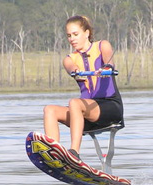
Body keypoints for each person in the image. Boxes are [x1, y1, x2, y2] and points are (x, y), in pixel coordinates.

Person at [43, 15, 123, 158]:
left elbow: (109, 61)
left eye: (75, 34)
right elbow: (70, 67)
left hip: (110, 108)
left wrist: (106, 69)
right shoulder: (69, 58)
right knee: (50, 110)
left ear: (87, 33)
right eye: (69, 36)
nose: (71, 39)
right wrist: (76, 72)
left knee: (74, 103)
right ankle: (55, 154)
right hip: (85, 113)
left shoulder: (102, 45)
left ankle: (74, 153)